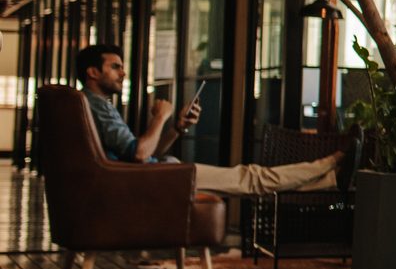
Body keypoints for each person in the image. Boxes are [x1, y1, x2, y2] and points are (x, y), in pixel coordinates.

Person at [76, 44, 342, 194]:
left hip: (152, 175)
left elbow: (143, 155)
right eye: (115, 67)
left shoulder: (90, 104)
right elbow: (140, 154)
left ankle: (330, 179)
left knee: (252, 181)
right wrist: (162, 116)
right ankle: (331, 161)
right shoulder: (95, 105)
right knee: (251, 178)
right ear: (93, 72)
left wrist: (177, 128)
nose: (123, 73)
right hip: (152, 180)